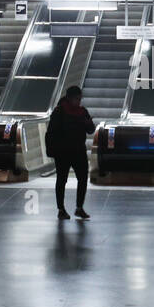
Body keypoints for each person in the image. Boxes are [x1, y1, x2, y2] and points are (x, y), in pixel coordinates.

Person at [47, 85, 94, 219]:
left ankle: (79, 207)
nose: (78, 102)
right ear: (69, 98)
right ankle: (61, 209)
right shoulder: (59, 111)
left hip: (78, 150)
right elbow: (52, 132)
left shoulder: (82, 111)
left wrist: (88, 123)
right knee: (62, 180)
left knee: (83, 178)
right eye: (76, 99)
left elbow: (91, 129)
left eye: (80, 99)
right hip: (62, 152)